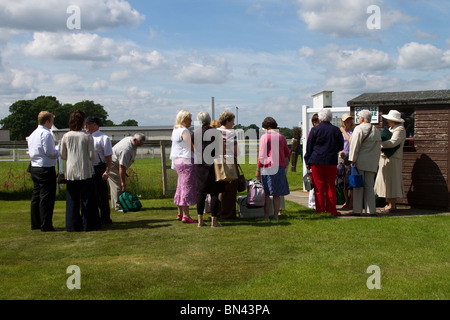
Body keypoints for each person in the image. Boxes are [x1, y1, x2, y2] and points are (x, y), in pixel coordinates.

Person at [60, 110, 101, 232]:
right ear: (83, 123)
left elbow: (62, 154)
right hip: (85, 171)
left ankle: (72, 225)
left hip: (71, 172)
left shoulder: (66, 136)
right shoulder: (87, 137)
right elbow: (91, 155)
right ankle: (88, 225)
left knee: (72, 200)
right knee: (87, 199)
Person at [304, 109, 344, 216]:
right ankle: (332, 210)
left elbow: (309, 147)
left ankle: (320, 209)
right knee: (331, 185)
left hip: (316, 160)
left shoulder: (315, 130)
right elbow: (340, 146)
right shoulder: (336, 130)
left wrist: (307, 160)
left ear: (320, 118)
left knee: (319, 186)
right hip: (331, 160)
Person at [27, 111, 60, 231]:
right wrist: (59, 151)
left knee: (36, 197)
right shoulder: (46, 134)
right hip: (45, 168)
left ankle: (35, 223)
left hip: (34, 166)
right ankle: (46, 224)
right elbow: (50, 152)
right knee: (46, 198)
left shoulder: (33, 134)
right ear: (47, 121)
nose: (52, 124)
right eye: (51, 121)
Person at [193, 111, 226, 227]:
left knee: (201, 193)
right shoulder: (215, 133)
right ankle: (214, 221)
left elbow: (193, 146)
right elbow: (222, 149)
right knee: (214, 193)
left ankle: (200, 221)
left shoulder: (195, 133)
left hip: (200, 164)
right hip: (213, 165)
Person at [256, 117, 290, 220]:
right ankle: (276, 215)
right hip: (279, 166)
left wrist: (258, 169)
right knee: (277, 194)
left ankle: (266, 215)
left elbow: (261, 156)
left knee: (266, 194)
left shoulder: (264, 137)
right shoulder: (281, 137)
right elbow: (287, 153)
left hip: (267, 167)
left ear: (266, 127)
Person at [348, 109, 381, 216]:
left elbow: (354, 145)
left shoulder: (359, 129)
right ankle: (371, 210)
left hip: (360, 162)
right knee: (369, 187)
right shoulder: (375, 130)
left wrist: (353, 159)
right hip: (372, 162)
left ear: (362, 118)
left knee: (358, 186)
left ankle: (357, 209)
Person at [374, 110, 407, 213]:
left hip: (393, 159)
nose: (387, 121)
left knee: (392, 181)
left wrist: (379, 144)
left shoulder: (400, 129)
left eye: (389, 119)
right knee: (385, 182)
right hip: (384, 158)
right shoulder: (391, 129)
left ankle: (392, 204)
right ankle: (388, 203)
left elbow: (393, 143)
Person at [169, 110, 197, 224]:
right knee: (187, 187)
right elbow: (191, 146)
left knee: (180, 186)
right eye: (189, 118)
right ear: (184, 119)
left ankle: (180, 212)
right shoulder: (185, 131)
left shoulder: (175, 130)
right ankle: (186, 215)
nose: (191, 121)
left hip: (178, 161)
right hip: (186, 161)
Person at [85, 116, 113, 225]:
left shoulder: (103, 138)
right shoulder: (86, 137)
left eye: (88, 124)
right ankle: (94, 217)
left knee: (102, 195)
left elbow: (108, 157)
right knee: (91, 195)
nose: (85, 126)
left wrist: (107, 171)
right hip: (88, 168)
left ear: (95, 125)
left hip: (99, 168)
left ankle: (105, 218)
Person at [108, 133, 145, 212]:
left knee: (117, 186)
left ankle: (117, 204)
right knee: (118, 186)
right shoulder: (126, 149)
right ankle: (118, 207)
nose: (140, 146)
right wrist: (123, 182)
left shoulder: (131, 140)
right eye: (139, 144)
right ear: (134, 140)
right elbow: (122, 167)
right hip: (112, 165)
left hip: (117, 163)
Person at [217, 111, 239, 219]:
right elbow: (236, 151)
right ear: (227, 121)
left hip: (217, 163)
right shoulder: (230, 133)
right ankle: (228, 213)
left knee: (218, 189)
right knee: (230, 190)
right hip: (229, 162)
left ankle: (217, 211)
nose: (233, 124)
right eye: (232, 121)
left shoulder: (214, 132)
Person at [337, 114, 354, 209]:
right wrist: (340, 151)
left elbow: (350, 140)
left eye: (349, 120)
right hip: (342, 157)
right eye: (346, 120)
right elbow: (338, 143)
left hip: (351, 157)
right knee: (342, 180)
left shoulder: (354, 131)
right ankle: (346, 200)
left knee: (350, 179)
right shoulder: (340, 132)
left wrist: (343, 131)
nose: (348, 122)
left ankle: (352, 200)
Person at [307, 113, 319, 210]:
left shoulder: (314, 131)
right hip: (313, 159)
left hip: (314, 159)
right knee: (313, 183)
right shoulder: (313, 132)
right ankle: (312, 204)